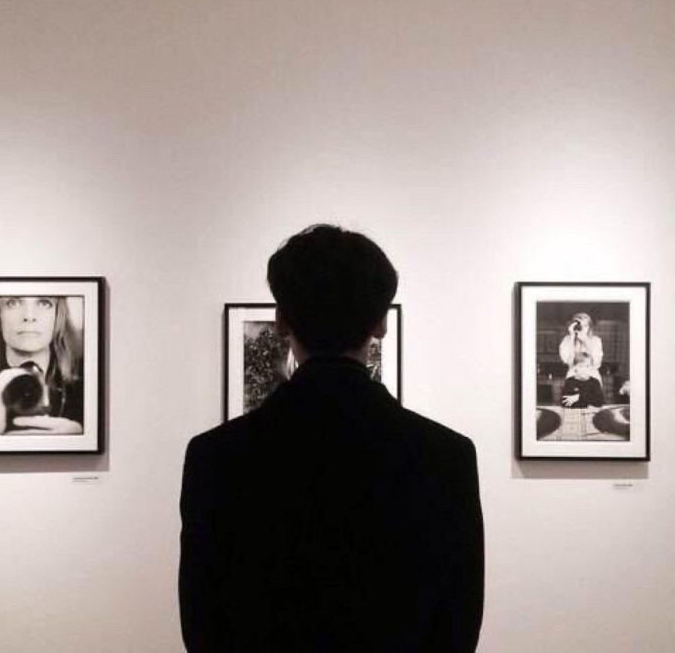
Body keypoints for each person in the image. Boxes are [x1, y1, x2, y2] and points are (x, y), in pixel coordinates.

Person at [179, 224, 484, 652]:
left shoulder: (216, 457)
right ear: (381, 323)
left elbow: (203, 627)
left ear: (281, 321)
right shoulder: (446, 457)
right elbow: (456, 628)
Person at [0, 296, 84, 435]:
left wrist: (79, 440)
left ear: (58, 314)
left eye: (44, 303)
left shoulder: (87, 383)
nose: (29, 316)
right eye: (13, 302)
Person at [558, 312, 603, 384]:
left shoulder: (596, 340)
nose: (583, 328)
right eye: (580, 325)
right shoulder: (567, 340)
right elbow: (567, 360)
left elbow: (597, 362)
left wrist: (586, 341)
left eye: (585, 325)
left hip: (592, 377)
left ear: (589, 327)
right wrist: (571, 338)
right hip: (573, 376)